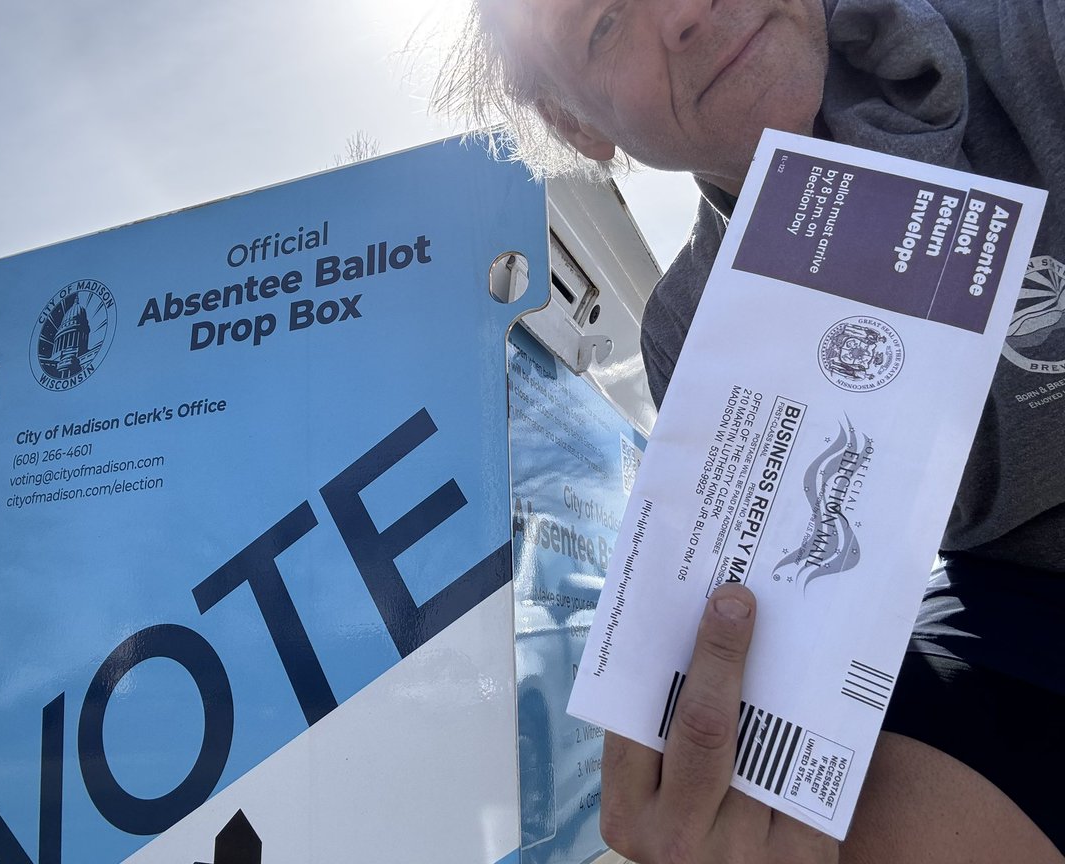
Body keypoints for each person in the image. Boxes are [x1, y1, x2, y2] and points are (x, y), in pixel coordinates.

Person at [435, 0, 1065, 859]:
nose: (686, 11)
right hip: (1004, 593)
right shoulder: (690, 327)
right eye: (605, 21)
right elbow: (792, 624)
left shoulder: (1031, 36)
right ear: (576, 123)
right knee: (833, 809)